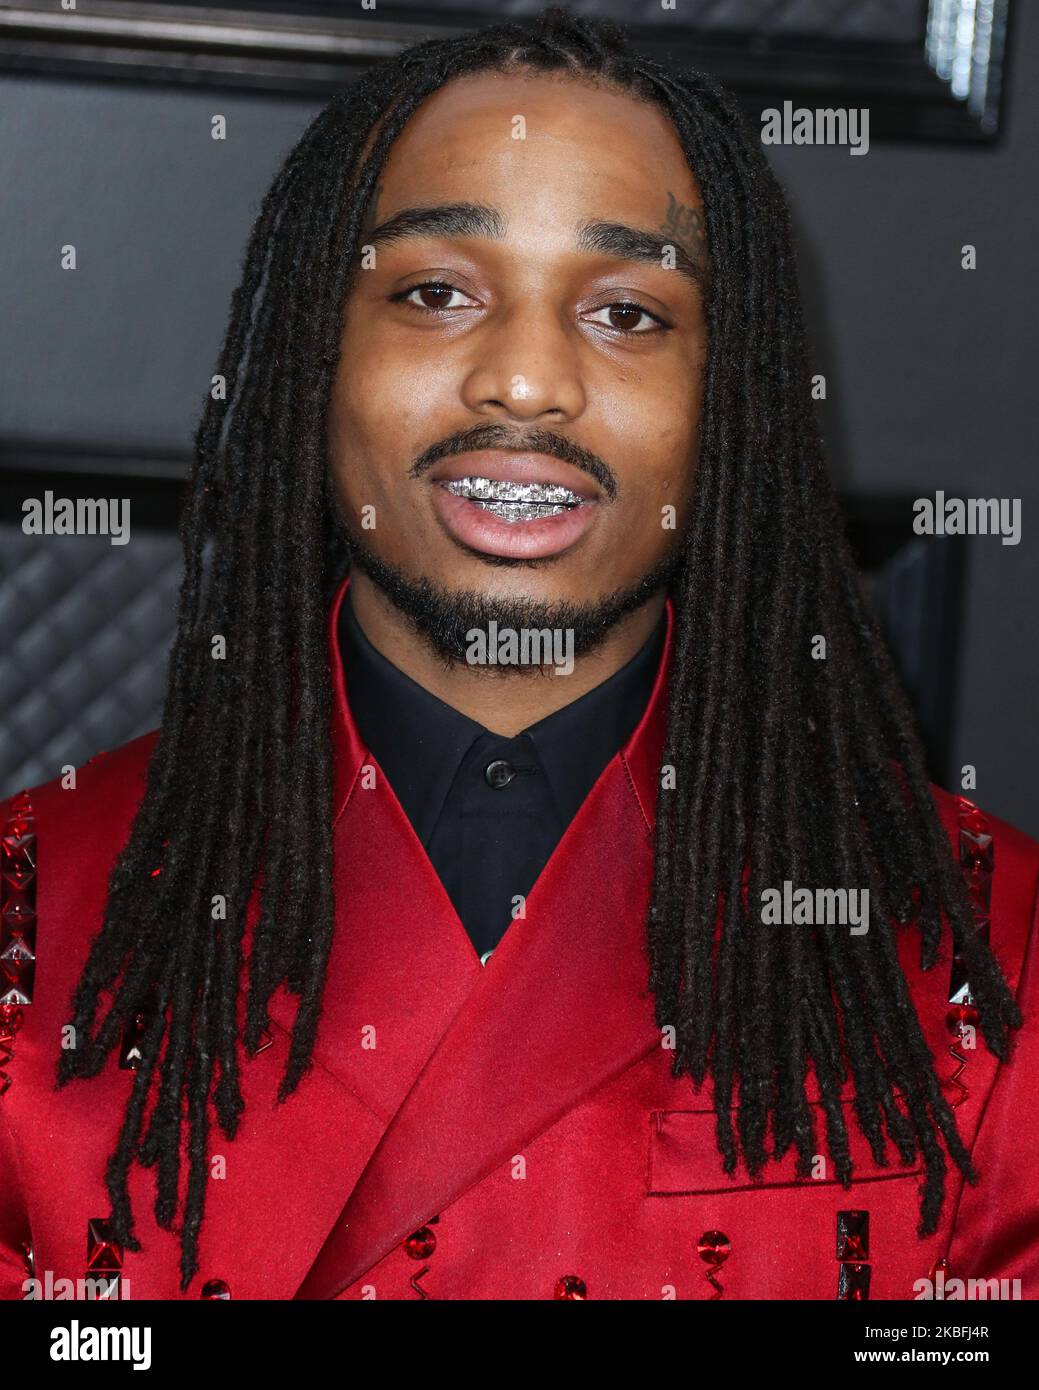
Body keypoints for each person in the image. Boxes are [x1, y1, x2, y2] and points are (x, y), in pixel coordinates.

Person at [1, 6, 1035, 1302]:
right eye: (435, 292)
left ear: (737, 401)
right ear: (314, 362)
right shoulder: (25, 921)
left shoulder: (996, 964)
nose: (528, 381)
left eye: (627, 312)